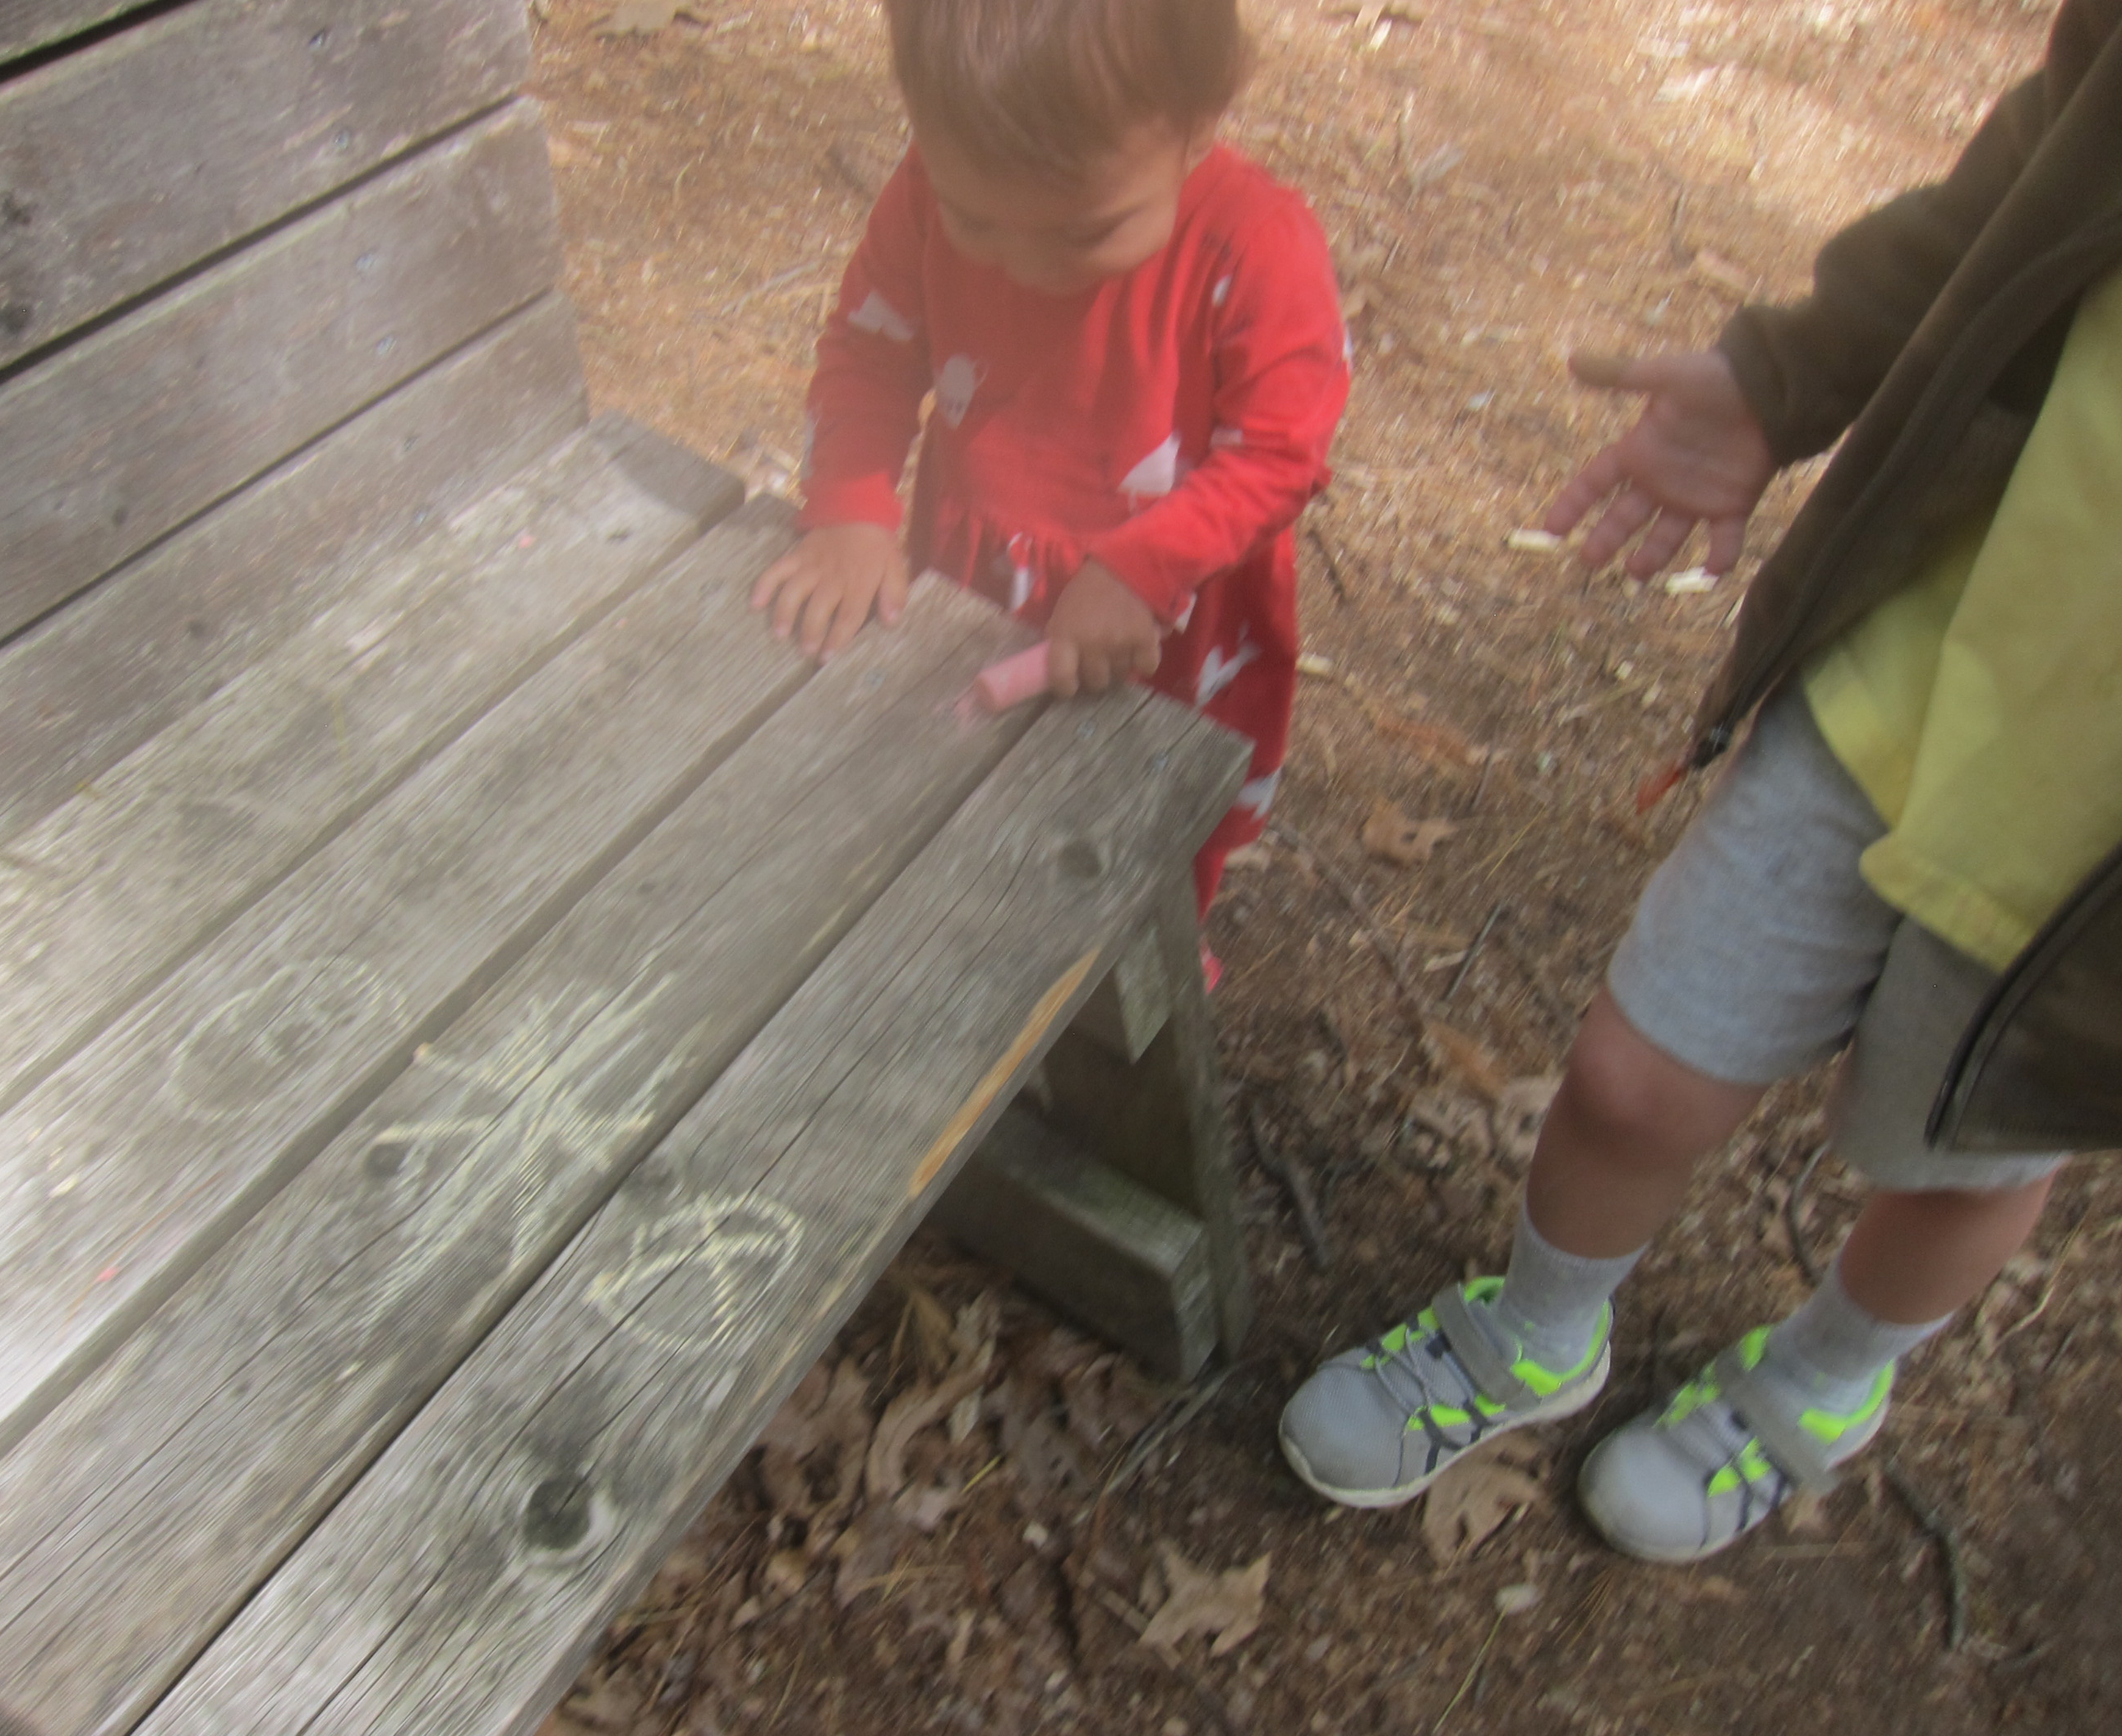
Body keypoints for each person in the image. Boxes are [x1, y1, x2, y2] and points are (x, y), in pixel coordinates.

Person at [1280, 0, 2122, 1561]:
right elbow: (2037, 173)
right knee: (1634, 1074)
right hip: (1921, 660)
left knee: (1968, 1158)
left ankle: (1822, 1385)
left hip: (2090, 884)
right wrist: (1784, 375)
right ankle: (1540, 1334)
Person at [750, 0, 1351, 915]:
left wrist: (1143, 568)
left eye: (1083, 233)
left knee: (1144, 823)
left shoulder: (1254, 246)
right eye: (976, 224)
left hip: (1163, 625)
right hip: (978, 583)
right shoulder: (932, 187)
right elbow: (869, 352)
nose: (1023, 265)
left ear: (1197, 122)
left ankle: (1150, 954)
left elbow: (1279, 453)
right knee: (959, 799)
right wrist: (849, 505)